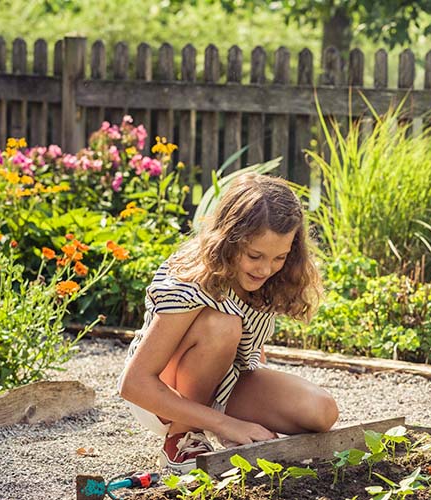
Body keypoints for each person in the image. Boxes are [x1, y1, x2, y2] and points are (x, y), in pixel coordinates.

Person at [119, 173, 338, 472]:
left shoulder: (267, 279)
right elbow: (133, 384)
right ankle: (183, 436)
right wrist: (227, 425)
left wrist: (248, 416)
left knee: (321, 411)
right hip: (160, 396)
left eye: (279, 257)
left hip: (222, 383)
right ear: (230, 239)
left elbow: (249, 346)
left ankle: (213, 427)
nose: (266, 269)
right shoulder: (192, 281)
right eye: (255, 255)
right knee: (223, 326)